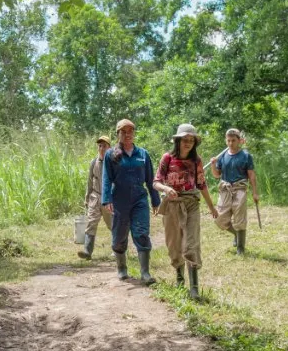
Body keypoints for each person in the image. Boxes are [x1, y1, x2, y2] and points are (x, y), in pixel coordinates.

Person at [152, 124, 218, 299]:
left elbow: (202, 185)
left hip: (191, 204)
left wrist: (212, 207)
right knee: (174, 244)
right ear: (178, 141)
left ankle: (194, 287)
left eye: (191, 140)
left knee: (191, 244)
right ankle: (180, 278)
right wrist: (166, 189)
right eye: (185, 140)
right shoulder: (167, 158)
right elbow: (156, 182)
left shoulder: (196, 161)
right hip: (172, 205)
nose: (188, 143)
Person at [102, 119, 161, 285]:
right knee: (119, 236)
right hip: (119, 200)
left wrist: (156, 200)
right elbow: (106, 179)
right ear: (118, 134)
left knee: (141, 232)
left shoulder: (143, 154)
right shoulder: (111, 155)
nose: (127, 134)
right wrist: (106, 199)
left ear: (134, 133)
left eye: (130, 131)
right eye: (123, 131)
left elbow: (151, 179)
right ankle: (121, 268)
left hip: (139, 199)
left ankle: (145, 272)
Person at [210, 128, 259, 255]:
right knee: (219, 219)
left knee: (239, 219)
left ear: (239, 141)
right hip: (225, 189)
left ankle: (240, 248)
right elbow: (216, 175)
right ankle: (236, 235)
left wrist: (255, 192)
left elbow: (252, 175)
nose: (230, 143)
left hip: (240, 189)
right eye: (228, 140)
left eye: (233, 140)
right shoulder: (223, 156)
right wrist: (213, 164)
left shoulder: (246, 156)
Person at [78, 136, 114, 260]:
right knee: (91, 223)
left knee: (113, 225)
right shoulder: (94, 162)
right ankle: (87, 252)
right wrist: (87, 197)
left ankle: (118, 250)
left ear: (110, 147)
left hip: (109, 198)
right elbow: (89, 180)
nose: (102, 148)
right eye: (100, 146)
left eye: (104, 146)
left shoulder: (114, 162)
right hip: (95, 196)